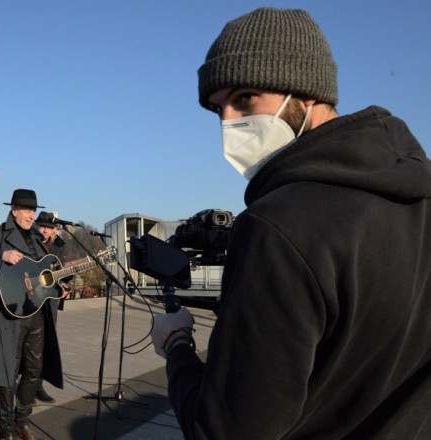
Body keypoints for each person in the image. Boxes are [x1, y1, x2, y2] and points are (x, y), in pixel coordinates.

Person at [151, 7, 431, 439]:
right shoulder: (420, 193)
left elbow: (224, 430)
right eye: (216, 108)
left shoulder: (277, 227)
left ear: (307, 92)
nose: (228, 122)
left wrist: (177, 346)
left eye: (245, 97)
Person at [0, 189, 64, 440]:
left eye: (34, 211)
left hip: (36, 314)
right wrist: (1, 255)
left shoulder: (37, 238)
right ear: (14, 210)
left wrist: (58, 287)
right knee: (8, 372)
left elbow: (41, 274)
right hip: (9, 314)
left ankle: (22, 419)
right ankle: (6, 427)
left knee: (35, 369)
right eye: (27, 210)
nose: (32, 215)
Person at [33, 211, 72, 404]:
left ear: (55, 230)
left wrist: (65, 286)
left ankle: (37, 386)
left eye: (49, 228)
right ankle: (27, 385)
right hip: (32, 301)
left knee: (46, 344)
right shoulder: (30, 243)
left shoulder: (58, 246)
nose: (45, 230)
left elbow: (60, 273)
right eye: (42, 226)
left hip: (51, 302)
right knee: (30, 345)